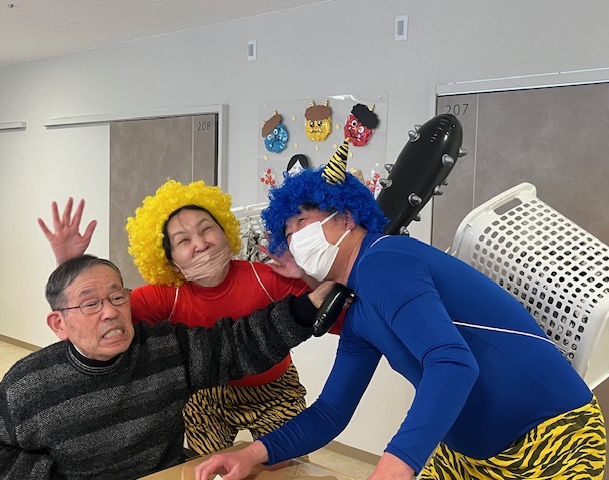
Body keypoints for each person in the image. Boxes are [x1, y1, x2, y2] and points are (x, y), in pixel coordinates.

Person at [194, 141, 607, 480]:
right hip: (469, 454)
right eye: (287, 233)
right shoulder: (358, 309)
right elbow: (332, 410)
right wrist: (253, 453)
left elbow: (452, 363)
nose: (295, 239)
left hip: (552, 440)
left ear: (346, 216)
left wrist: (394, 465)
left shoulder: (385, 259)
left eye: (301, 222)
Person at [0, 254, 334, 480]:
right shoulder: (28, 383)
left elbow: (238, 344)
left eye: (117, 296)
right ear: (58, 324)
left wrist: (309, 304)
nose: (110, 311)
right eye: (90, 304)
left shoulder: (165, 347)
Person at [37, 180, 333, 455]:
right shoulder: (166, 295)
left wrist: (307, 275)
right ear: (172, 263)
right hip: (206, 393)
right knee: (204, 467)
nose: (200, 244)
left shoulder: (266, 277)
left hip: (275, 388)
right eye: (183, 241)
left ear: (225, 232)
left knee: (285, 466)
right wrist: (68, 265)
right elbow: (100, 320)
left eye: (207, 229)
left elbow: (332, 310)